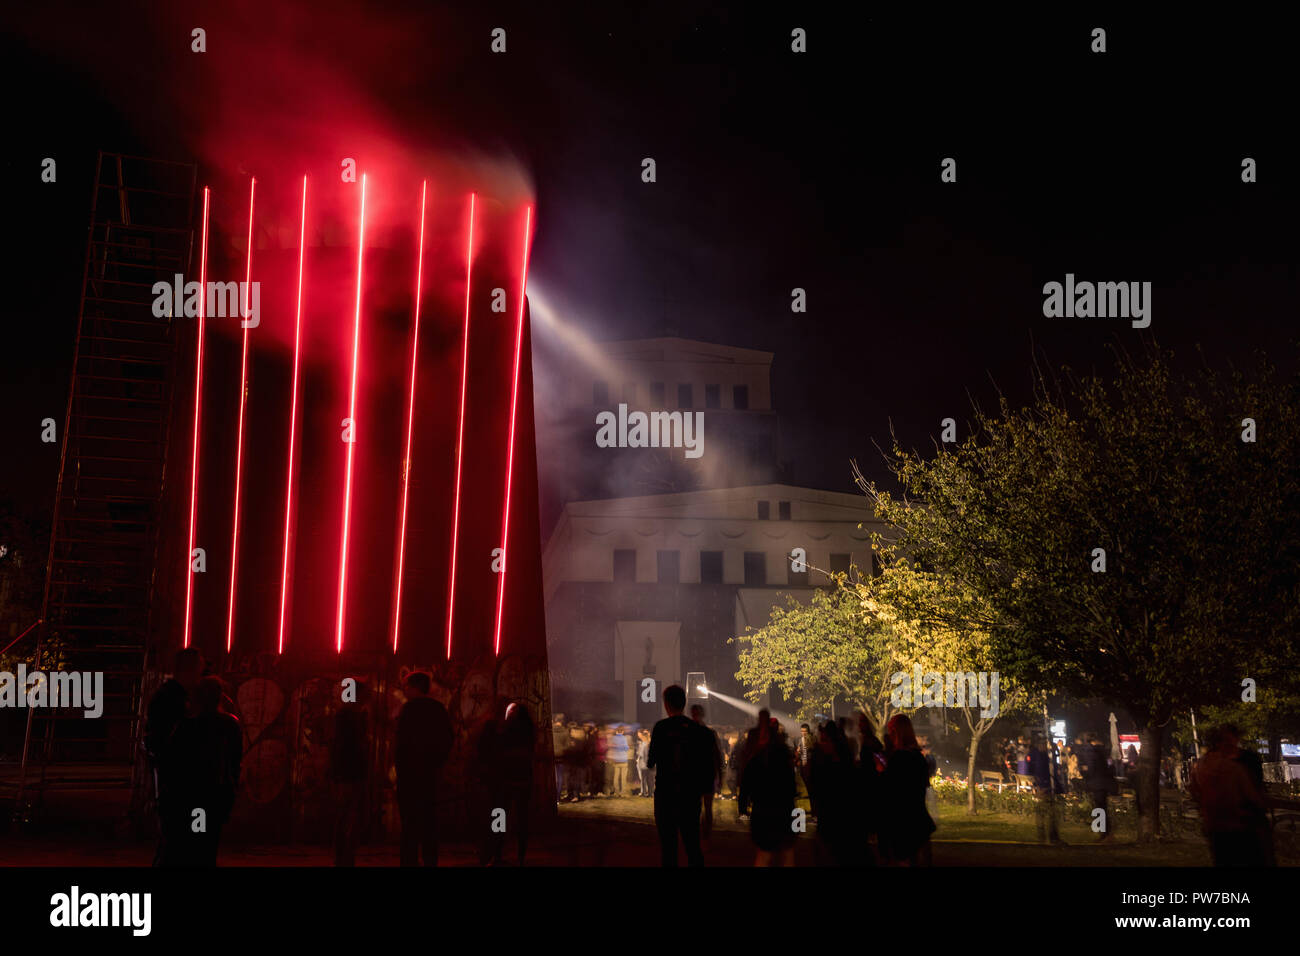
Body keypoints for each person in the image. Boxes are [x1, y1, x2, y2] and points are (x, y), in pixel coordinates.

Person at [170, 676, 242, 866]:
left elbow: (175, 761)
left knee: (196, 838)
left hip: (195, 793)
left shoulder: (187, 726)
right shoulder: (230, 724)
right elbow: (235, 761)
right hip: (217, 792)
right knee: (210, 840)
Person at [144, 647, 205, 866]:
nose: (201, 675)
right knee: (180, 841)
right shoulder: (175, 700)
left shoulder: (167, 696)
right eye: (199, 669)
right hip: (178, 783)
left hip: (174, 782)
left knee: (175, 842)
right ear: (190, 670)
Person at [647, 684, 712, 866]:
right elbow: (706, 767)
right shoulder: (698, 730)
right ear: (683, 704)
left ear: (667, 705)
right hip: (690, 796)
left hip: (666, 796)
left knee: (669, 849)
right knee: (693, 846)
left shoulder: (661, 728)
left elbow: (651, 761)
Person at [394, 672, 453, 866]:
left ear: (413, 687)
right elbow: (447, 739)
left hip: (409, 776)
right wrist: (439, 764)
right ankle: (430, 860)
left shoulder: (407, 710)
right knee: (429, 823)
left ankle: (408, 861)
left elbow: (400, 744)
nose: (404, 690)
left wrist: (399, 772)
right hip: (430, 775)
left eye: (406, 686)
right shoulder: (438, 709)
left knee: (409, 824)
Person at [1189, 725, 1269, 867]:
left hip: (1217, 827)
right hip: (1242, 827)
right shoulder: (1236, 767)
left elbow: (1195, 792)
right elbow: (1253, 796)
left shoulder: (1201, 765)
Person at [739, 717, 798, 866]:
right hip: (785, 810)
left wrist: (743, 809)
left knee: (764, 854)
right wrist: (798, 822)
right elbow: (792, 789)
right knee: (788, 852)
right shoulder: (785, 759)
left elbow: (745, 786)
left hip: (762, 811)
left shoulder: (756, 759)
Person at [880, 714, 935, 866]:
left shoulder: (899, 758)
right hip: (920, 822)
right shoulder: (918, 757)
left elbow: (891, 791)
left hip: (905, 825)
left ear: (897, 733)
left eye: (892, 732)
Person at [809, 720, 866, 866]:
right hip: (832, 810)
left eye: (824, 740)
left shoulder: (835, 756)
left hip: (837, 811)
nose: (822, 743)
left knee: (833, 850)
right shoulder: (829, 754)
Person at [329, 679, 370, 866]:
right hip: (351, 772)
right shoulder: (351, 717)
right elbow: (351, 747)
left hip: (345, 772)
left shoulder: (345, 716)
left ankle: (342, 856)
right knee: (349, 815)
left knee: (344, 814)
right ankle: (345, 856)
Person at [690, 705, 725, 841]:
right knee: (704, 807)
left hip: (698, 775)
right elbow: (717, 755)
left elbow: (717, 755)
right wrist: (720, 775)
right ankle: (705, 834)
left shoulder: (691, 733)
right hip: (704, 774)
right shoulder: (708, 733)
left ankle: (702, 833)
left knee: (698, 807)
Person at [1027, 733, 1064, 845]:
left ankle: (1053, 836)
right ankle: (1043, 837)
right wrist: (1038, 785)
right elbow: (1034, 771)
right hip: (1043, 787)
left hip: (1050, 786)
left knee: (1052, 812)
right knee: (1042, 812)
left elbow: (1053, 769)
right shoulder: (1036, 755)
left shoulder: (1047, 754)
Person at [1080, 733, 1116, 841]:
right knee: (1102, 808)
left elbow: (1090, 768)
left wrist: (1085, 772)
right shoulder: (1104, 752)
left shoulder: (1092, 752)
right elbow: (1110, 766)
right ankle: (1105, 833)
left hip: (1096, 782)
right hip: (1104, 782)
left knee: (1099, 808)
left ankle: (1103, 833)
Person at [551, 713, 569, 801]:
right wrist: (562, 750)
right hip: (561, 756)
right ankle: (557, 798)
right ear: (562, 721)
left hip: (551, 756)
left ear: (555, 720)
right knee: (560, 776)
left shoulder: (550, 730)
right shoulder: (565, 731)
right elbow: (568, 746)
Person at [636, 728, 654, 797]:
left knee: (644, 779)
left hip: (644, 764)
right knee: (650, 780)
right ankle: (650, 793)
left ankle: (644, 793)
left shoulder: (644, 744)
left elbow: (641, 754)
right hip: (651, 764)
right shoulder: (651, 743)